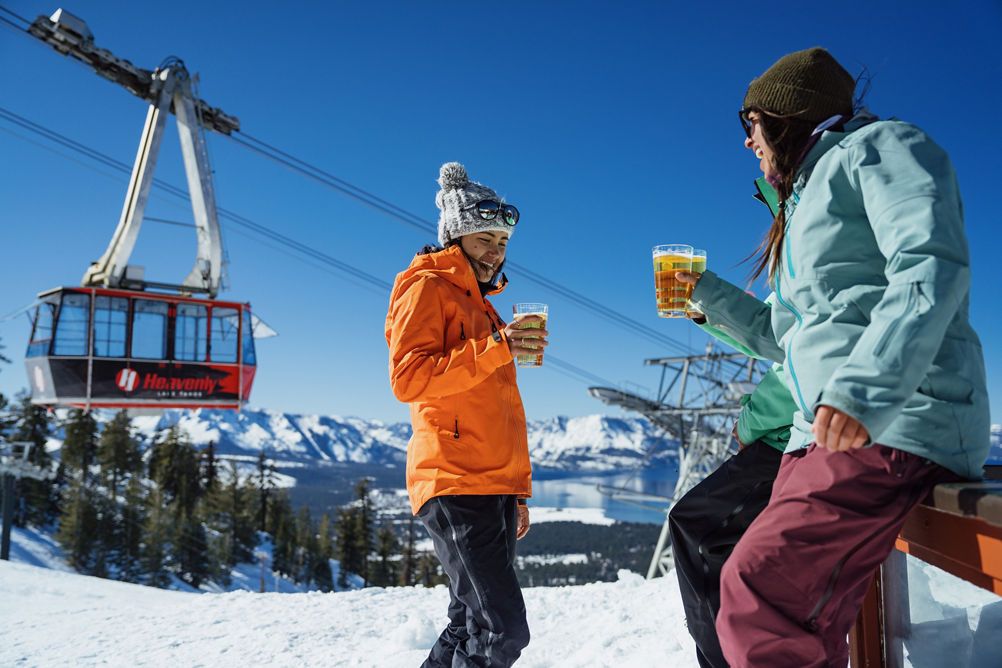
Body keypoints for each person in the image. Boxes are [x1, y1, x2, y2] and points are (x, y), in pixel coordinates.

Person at [681, 47, 990, 667]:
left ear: (786, 116)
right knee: (775, 600)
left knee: (759, 594)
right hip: (823, 431)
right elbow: (789, 336)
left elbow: (928, 263)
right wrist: (705, 297)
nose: (747, 143)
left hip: (893, 418)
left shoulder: (879, 148)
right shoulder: (802, 204)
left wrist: (862, 390)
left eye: (750, 125)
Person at [385, 162, 547, 667]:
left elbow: (498, 411)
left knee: (469, 619)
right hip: (454, 477)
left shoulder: (482, 304)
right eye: (485, 239)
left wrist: (516, 492)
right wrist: (498, 347)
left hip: (490, 483)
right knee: (501, 629)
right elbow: (408, 378)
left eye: (502, 242)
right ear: (456, 238)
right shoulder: (427, 288)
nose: (496, 252)